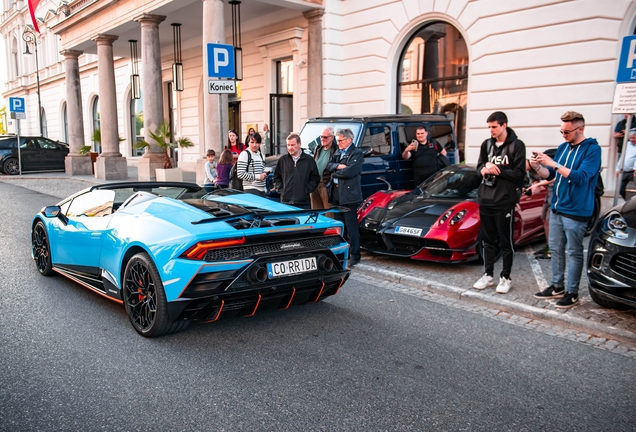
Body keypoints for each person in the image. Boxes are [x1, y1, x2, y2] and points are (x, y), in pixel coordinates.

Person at [531, 111, 602, 308]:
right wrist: (537, 166)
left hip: (577, 210)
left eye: (567, 131)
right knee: (556, 249)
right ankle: (557, 286)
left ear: (580, 129)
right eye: (561, 131)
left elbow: (580, 177)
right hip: (557, 208)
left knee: (574, 252)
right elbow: (550, 174)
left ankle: (572, 292)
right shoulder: (563, 147)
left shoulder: (592, 150)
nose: (563, 135)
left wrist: (553, 162)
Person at [473, 111, 526, 294]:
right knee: (488, 240)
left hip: (504, 201)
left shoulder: (517, 146)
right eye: (489, 127)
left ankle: (506, 277)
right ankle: (488, 275)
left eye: (494, 127)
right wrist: (485, 167)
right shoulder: (486, 145)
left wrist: (498, 171)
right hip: (486, 198)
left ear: (504, 125)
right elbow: (479, 167)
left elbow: (520, 174)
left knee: (505, 241)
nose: (491, 130)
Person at [326, 128, 363, 267]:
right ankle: (342, 252)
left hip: (349, 195)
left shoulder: (357, 153)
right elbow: (329, 166)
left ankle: (355, 255)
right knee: (340, 226)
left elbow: (349, 172)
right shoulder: (338, 152)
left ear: (349, 140)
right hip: (336, 193)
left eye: (340, 140)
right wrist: (337, 166)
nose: (338, 142)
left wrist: (335, 173)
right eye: (338, 140)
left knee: (351, 226)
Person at [272, 133, 320, 209]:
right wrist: (282, 190)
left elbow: (315, 178)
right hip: (286, 202)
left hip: (303, 202)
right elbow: (276, 177)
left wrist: (306, 190)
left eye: (293, 145)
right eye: (288, 145)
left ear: (299, 144)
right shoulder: (282, 160)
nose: (290, 147)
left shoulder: (309, 160)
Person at [311, 127, 337, 210]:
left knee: (329, 213)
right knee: (315, 212)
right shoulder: (318, 148)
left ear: (332, 137)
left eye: (325, 137)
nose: (322, 139)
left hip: (326, 184)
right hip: (314, 183)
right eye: (321, 137)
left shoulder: (336, 150)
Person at [237, 132, 267, 196]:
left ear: (259, 144)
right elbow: (240, 174)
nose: (254, 145)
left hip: (262, 190)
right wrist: (258, 176)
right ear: (248, 143)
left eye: (257, 142)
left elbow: (260, 172)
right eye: (252, 142)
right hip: (250, 189)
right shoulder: (245, 154)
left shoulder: (261, 155)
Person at [616, 128, 636, 201]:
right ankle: (627, 203)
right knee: (620, 189)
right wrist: (617, 168)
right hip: (624, 171)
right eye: (630, 138)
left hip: (633, 171)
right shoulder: (627, 144)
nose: (632, 139)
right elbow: (622, 156)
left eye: (634, 138)